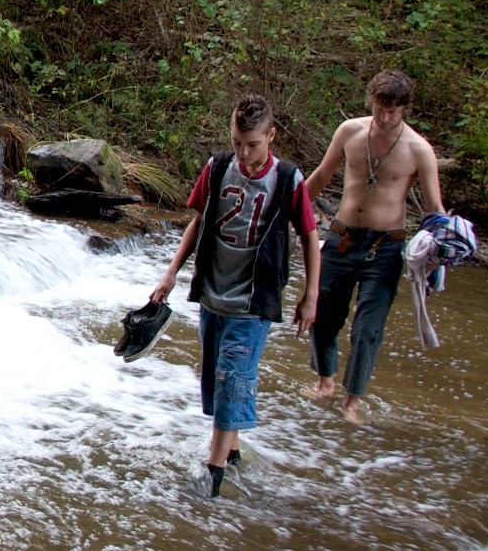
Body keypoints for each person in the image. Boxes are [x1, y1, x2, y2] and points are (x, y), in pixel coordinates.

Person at [150, 94, 320, 497]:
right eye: (238, 142)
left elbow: (310, 237)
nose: (244, 153)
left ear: (271, 135)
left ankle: (213, 469)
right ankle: (235, 449)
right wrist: (171, 273)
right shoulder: (218, 167)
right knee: (215, 379)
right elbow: (197, 221)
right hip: (213, 293)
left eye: (253, 145)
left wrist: (311, 295)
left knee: (231, 377)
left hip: (253, 299)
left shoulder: (287, 179)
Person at [302, 69, 444, 424]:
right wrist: (288, 210)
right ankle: (326, 381)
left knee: (368, 327)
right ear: (371, 101)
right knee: (321, 315)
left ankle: (352, 400)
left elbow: (434, 211)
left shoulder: (419, 150)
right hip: (341, 236)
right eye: (380, 108)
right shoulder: (350, 131)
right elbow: (321, 175)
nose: (384, 117)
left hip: (386, 245)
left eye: (392, 111)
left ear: (405, 109)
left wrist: (441, 255)